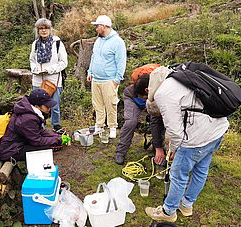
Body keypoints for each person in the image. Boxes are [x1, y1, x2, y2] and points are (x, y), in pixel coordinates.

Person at [139, 66, 229, 222]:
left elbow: (175, 132)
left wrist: (173, 149)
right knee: (201, 170)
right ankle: (186, 205)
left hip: (197, 139)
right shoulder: (181, 79)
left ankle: (168, 212)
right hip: (217, 132)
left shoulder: (162, 94)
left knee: (178, 175)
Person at [0, 89, 70, 162]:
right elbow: (37, 141)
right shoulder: (28, 119)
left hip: (19, 143)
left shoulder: (29, 111)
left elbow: (40, 132)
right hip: (10, 151)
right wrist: (58, 140)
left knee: (50, 144)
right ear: (37, 106)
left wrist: (57, 137)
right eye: (47, 106)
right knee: (46, 149)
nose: (49, 108)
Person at [87, 15, 127, 139]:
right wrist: (90, 72)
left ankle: (112, 128)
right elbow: (94, 57)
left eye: (97, 26)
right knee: (97, 104)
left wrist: (117, 80)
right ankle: (99, 126)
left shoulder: (118, 42)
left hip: (109, 80)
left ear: (104, 27)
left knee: (111, 105)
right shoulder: (98, 40)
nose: (96, 29)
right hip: (96, 79)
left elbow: (121, 62)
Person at [114, 73, 166, 166]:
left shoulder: (161, 90)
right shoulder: (137, 86)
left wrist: (158, 147)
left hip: (152, 99)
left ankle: (158, 148)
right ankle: (120, 152)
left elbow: (155, 121)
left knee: (158, 120)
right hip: (132, 98)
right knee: (131, 122)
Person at [29, 18, 68, 132]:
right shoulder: (35, 44)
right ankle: (40, 125)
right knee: (38, 104)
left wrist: (50, 69)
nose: (44, 30)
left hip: (53, 79)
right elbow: (32, 60)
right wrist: (35, 69)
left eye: (46, 28)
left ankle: (56, 125)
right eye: (41, 28)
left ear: (50, 29)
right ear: (38, 30)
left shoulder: (57, 43)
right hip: (38, 79)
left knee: (54, 105)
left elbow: (64, 62)